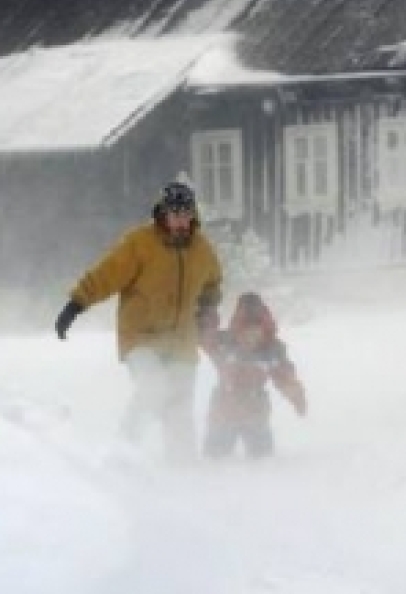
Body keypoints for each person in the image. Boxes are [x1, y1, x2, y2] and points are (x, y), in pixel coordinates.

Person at [54, 181, 222, 461]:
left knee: (179, 406)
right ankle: (124, 448)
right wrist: (75, 304)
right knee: (154, 387)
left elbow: (213, 283)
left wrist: (207, 307)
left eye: (186, 214)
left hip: (181, 341)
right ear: (163, 214)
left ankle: (184, 468)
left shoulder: (202, 250)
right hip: (140, 338)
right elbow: (106, 274)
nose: (181, 220)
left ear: (193, 215)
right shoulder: (140, 243)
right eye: (175, 214)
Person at [200, 292, 306, 459]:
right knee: (215, 461)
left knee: (260, 462)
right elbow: (205, 338)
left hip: (251, 410)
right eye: (245, 325)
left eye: (255, 326)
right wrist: (206, 320)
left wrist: (297, 397)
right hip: (227, 410)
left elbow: (285, 376)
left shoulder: (271, 348)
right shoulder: (226, 341)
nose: (250, 335)